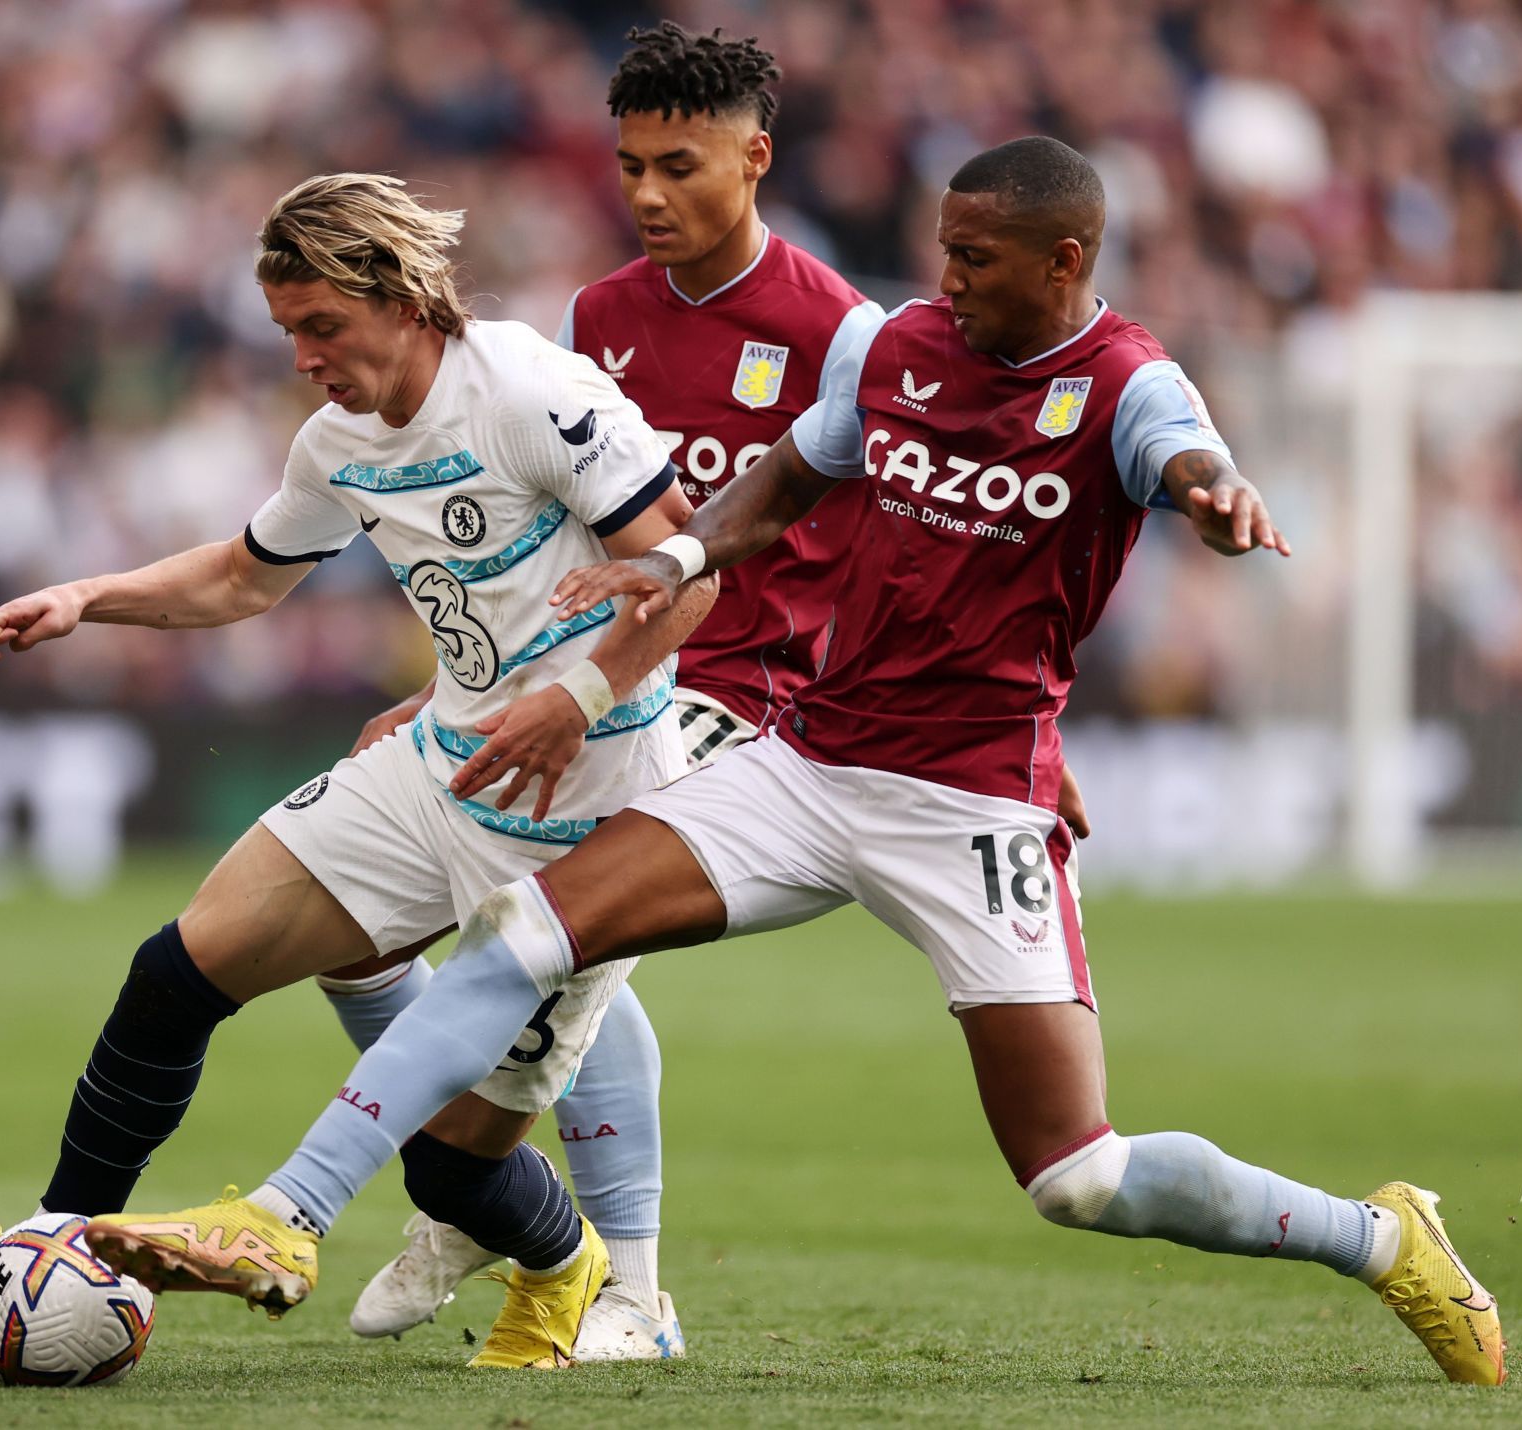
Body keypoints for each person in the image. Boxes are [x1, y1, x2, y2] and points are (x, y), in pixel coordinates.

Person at [90, 138, 1507, 1387]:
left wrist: (1216, 492)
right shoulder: (899, 349)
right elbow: (797, 471)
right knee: (529, 931)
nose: (944, 278)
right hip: (809, 761)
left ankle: (1380, 1236)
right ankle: (291, 1208)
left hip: (968, 805)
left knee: (1077, 1175)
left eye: (975, 258)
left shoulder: (1126, 380)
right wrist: (690, 555)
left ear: (1066, 258)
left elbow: (1182, 450)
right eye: (942, 250)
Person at [0, 171, 721, 1369]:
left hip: (587, 815)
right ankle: (48, 1237)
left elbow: (692, 573)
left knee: (446, 1161)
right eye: (287, 332)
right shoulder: (336, 443)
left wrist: (577, 700)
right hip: (441, 766)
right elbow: (241, 576)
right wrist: (84, 598)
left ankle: (574, 1267)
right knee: (175, 971)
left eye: (322, 326)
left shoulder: (534, 392)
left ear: (408, 297)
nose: (304, 357)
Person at [319, 23, 1024, 1360]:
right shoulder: (598, 321)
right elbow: (552, 552)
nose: (646, 194)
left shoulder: (849, 334)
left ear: (754, 159)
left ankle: (545, 1236)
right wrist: (446, 699)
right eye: (630, 164)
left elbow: (923, 533)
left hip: (741, 698)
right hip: (584, 674)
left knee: (553, 929)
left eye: (679, 165)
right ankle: (546, 1239)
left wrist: (1009, 710)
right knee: (509, 938)